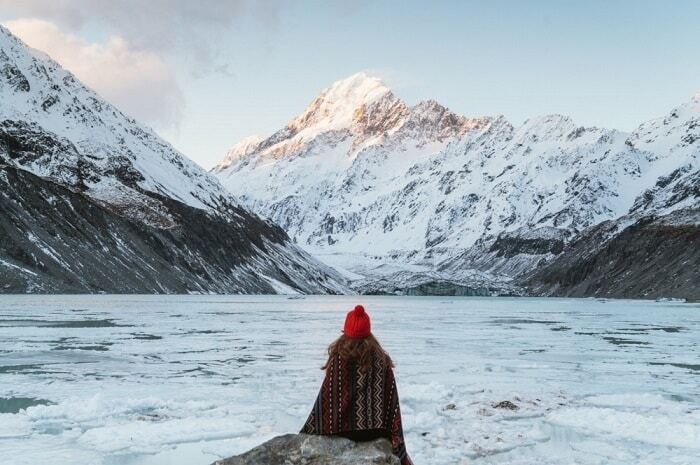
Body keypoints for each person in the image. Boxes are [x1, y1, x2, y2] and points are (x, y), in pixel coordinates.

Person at [301, 304, 413, 465]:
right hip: (376, 432)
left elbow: (325, 401)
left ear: (345, 332)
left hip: (342, 432)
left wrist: (308, 430)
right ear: (368, 333)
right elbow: (391, 402)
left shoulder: (339, 360)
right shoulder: (382, 360)